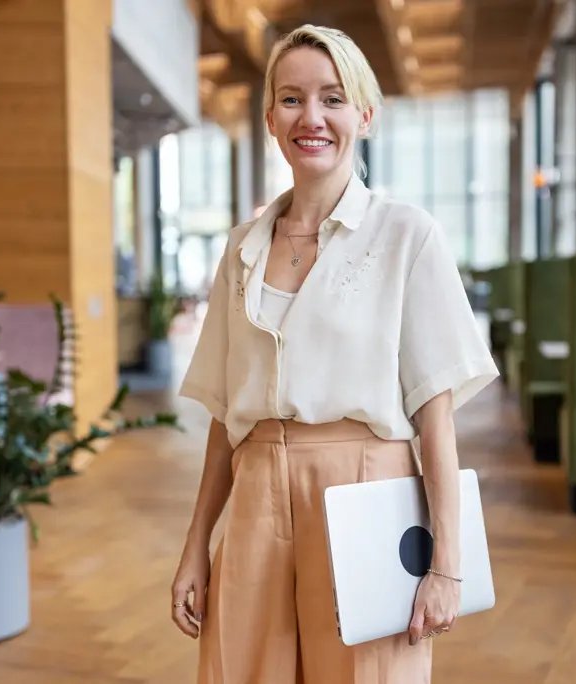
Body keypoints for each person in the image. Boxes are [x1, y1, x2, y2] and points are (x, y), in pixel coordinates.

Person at [171, 24, 499, 684]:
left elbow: (435, 420)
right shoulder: (240, 249)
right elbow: (224, 419)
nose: (311, 117)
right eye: (291, 99)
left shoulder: (408, 236)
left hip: (367, 492)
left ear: (365, 115)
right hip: (256, 493)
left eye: (332, 98)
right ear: (270, 118)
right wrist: (195, 546)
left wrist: (447, 566)